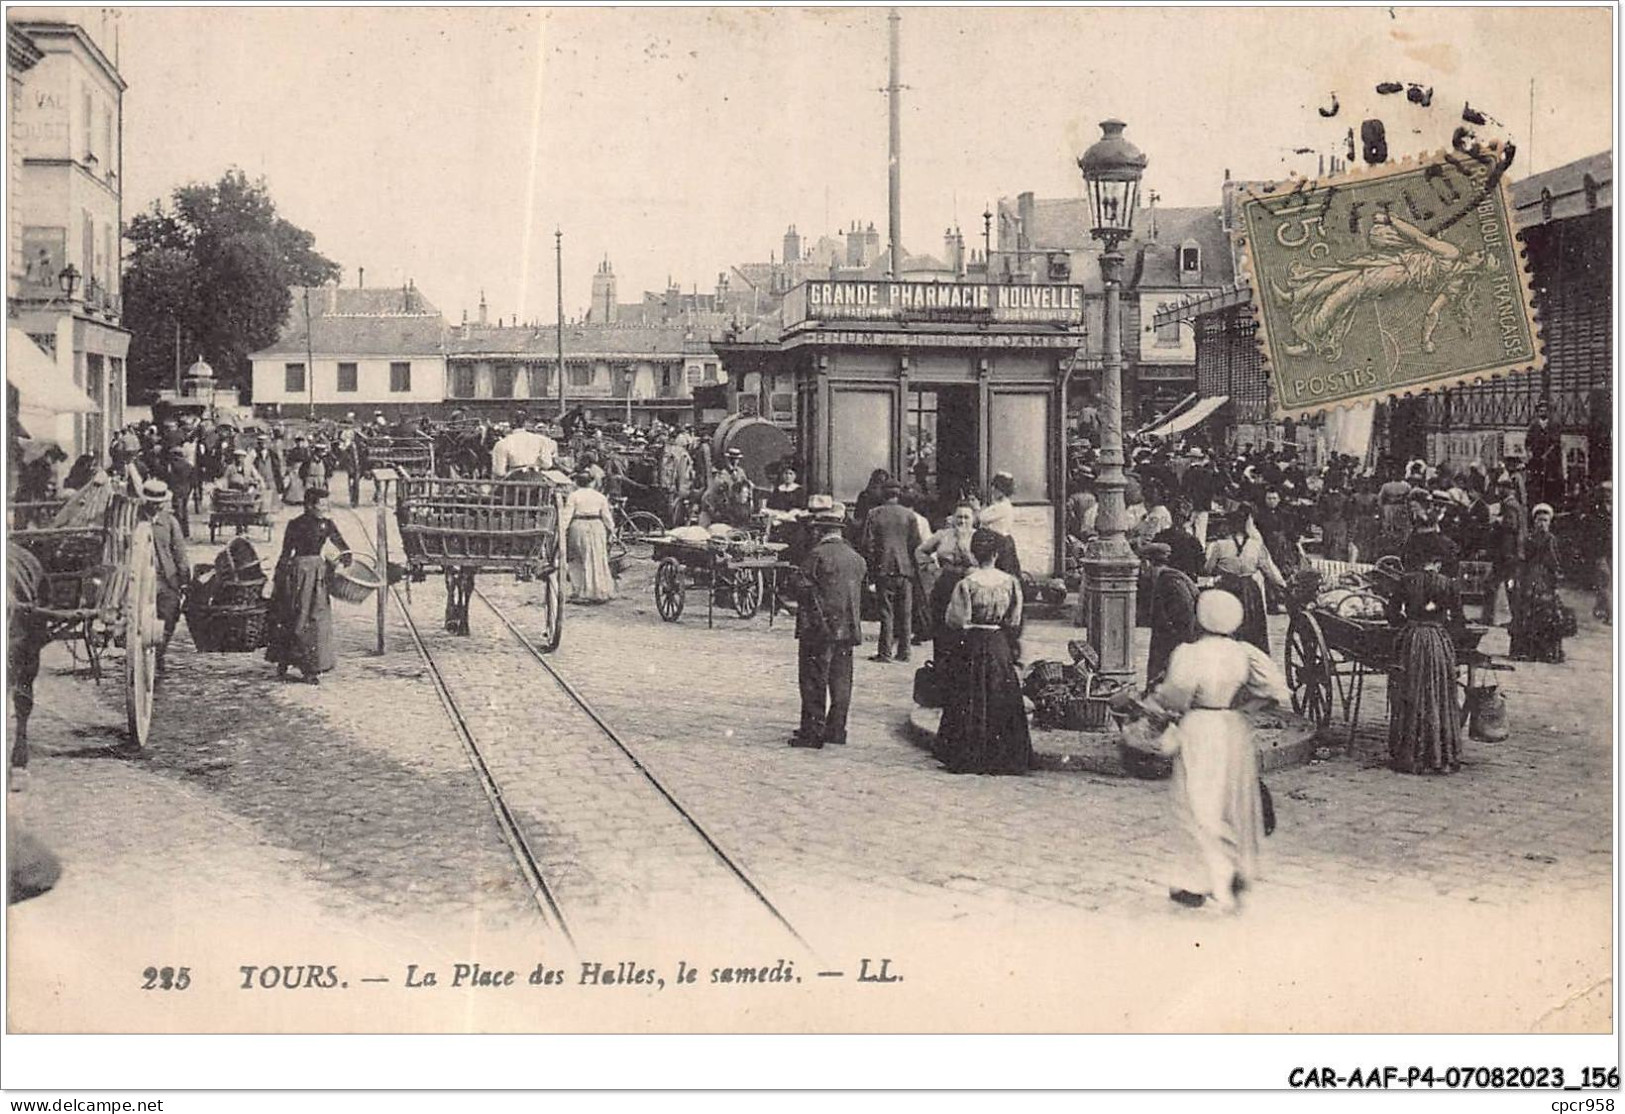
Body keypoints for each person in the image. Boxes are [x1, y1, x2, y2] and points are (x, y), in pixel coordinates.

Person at [1140, 590, 1289, 912]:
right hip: (1232, 727)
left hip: (1200, 727)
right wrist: (1246, 708)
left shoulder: (1190, 653)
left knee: (1194, 803)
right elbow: (1275, 690)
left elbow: (1175, 696)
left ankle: (1200, 880)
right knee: (1229, 802)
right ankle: (1234, 868)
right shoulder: (1244, 653)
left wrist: (1156, 706)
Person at [934, 528, 1031, 776]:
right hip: (998, 643)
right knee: (1001, 695)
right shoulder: (1011, 583)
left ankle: (968, 754)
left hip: (973, 643)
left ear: (975, 554)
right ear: (997, 554)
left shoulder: (966, 584)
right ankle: (1002, 755)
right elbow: (1015, 619)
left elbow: (955, 620)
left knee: (968, 696)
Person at [791, 498, 866, 749]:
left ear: (819, 531)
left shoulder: (816, 555)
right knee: (841, 680)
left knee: (814, 679)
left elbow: (800, 587)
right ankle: (836, 729)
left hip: (819, 628)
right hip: (848, 628)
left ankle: (812, 731)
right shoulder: (856, 558)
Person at [1386, 551, 1465, 774]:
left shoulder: (1406, 580)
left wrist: (1408, 622)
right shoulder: (1448, 584)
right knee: (1439, 695)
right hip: (1438, 641)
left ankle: (1410, 754)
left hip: (1412, 641)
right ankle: (1442, 755)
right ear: (1438, 563)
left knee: (1412, 693)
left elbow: (1391, 613)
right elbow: (1459, 620)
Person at [265, 488, 350, 685]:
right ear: (309, 505)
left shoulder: (327, 524)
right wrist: (278, 577)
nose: (324, 508)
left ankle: (311, 665)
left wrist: (343, 560)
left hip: (317, 575)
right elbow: (286, 552)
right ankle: (289, 662)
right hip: (298, 573)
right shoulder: (295, 524)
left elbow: (344, 547)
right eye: (320, 504)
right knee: (297, 617)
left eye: (325, 504)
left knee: (316, 619)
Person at [1203, 504, 1286, 654]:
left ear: (1230, 527)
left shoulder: (1219, 545)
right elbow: (1269, 572)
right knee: (1252, 628)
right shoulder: (1256, 546)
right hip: (1250, 591)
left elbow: (1207, 569)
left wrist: (1222, 569)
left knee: (1224, 627)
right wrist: (1283, 586)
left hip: (1226, 589)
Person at [861, 481, 922, 663]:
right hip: (905, 570)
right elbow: (916, 543)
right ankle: (904, 652)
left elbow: (867, 544)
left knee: (886, 611)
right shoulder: (909, 515)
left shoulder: (874, 514)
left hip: (883, 569)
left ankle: (885, 652)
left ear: (882, 494)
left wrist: (873, 567)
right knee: (905, 612)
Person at [916, 501, 979, 664]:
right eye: (959, 517)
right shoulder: (943, 535)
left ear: (973, 519)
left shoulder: (979, 537)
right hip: (945, 584)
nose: (962, 521)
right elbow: (920, 551)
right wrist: (932, 569)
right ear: (953, 518)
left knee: (964, 632)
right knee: (942, 630)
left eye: (966, 517)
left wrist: (965, 545)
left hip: (969, 586)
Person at [140, 480, 191, 677]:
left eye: (160, 502)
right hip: (141, 578)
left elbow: (180, 552)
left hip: (165, 578)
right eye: (153, 502)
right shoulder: (135, 520)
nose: (157, 506)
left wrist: (184, 579)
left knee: (169, 615)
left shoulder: (169, 522)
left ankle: (159, 652)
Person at [1512, 503, 1566, 662]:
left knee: (1545, 614)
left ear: (1549, 523)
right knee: (1527, 612)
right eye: (1539, 520)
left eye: (1545, 521)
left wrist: (1554, 578)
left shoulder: (1550, 539)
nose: (1542, 524)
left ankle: (1546, 651)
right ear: (1534, 521)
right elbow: (1523, 558)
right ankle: (1527, 650)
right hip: (1530, 577)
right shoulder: (1528, 538)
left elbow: (1554, 561)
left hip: (1544, 578)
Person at [1144, 541, 1199, 687]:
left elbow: (1184, 615)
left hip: (1173, 638)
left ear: (1148, 563)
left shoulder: (1169, 582)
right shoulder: (1170, 578)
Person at [559, 470, 616, 603]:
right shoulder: (600, 496)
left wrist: (562, 530)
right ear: (591, 482)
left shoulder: (573, 496)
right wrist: (612, 530)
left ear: (577, 483)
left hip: (579, 526)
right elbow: (606, 516)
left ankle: (579, 590)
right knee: (597, 558)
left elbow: (567, 515)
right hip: (597, 526)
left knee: (578, 558)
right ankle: (599, 590)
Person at [1525, 400, 1563, 510]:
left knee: (1549, 481)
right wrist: (1529, 452)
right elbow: (1528, 441)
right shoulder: (1534, 425)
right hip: (1536, 459)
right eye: (1540, 411)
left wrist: (1546, 455)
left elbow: (1555, 443)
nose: (1542, 413)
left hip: (1550, 460)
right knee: (1535, 480)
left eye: (1544, 411)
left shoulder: (1554, 425)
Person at [490, 417, 558, 477]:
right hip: (536, 481)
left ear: (510, 424)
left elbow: (499, 471)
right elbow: (547, 464)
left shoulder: (502, 443)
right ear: (526, 423)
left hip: (514, 482)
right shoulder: (540, 440)